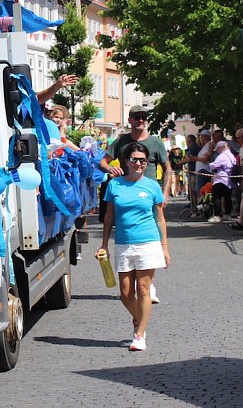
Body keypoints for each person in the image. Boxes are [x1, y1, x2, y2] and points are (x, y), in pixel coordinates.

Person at [96, 142, 170, 352]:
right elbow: (109, 216)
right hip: (123, 243)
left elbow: (160, 219)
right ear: (126, 161)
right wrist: (103, 244)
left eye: (143, 160)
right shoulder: (114, 185)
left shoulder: (152, 186)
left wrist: (164, 247)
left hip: (148, 242)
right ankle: (141, 319)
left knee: (144, 289)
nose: (138, 163)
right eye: (134, 159)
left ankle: (139, 334)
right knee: (126, 293)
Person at [98, 105, 171, 305]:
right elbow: (103, 162)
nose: (141, 120)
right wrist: (111, 170)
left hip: (149, 193)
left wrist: (165, 192)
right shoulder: (121, 141)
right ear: (129, 119)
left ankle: (148, 284)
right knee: (128, 232)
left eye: (143, 117)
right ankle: (141, 286)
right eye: (137, 117)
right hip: (126, 192)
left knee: (152, 233)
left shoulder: (155, 142)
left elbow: (167, 169)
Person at [208, 140, 236, 222]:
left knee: (216, 197)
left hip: (220, 179)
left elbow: (214, 166)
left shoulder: (222, 156)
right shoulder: (231, 155)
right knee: (227, 197)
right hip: (229, 179)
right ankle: (227, 214)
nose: (217, 151)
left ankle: (217, 215)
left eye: (218, 149)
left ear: (221, 148)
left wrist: (210, 164)